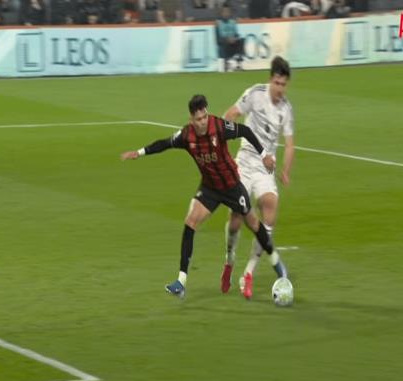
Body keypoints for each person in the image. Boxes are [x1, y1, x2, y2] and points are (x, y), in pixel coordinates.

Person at [121, 94, 287, 299]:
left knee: (253, 224)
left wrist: (263, 155)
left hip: (232, 186)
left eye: (205, 116)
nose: (203, 121)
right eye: (199, 119)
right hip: (210, 188)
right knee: (190, 221)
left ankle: (276, 262)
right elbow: (164, 143)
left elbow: (245, 130)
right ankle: (181, 281)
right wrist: (139, 152)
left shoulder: (219, 127)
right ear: (192, 119)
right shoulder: (186, 136)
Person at [221, 56, 294, 299]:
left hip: (265, 167)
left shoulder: (286, 109)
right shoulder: (255, 93)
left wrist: (286, 170)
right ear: (270, 79)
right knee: (236, 219)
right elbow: (231, 113)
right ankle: (229, 259)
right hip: (244, 162)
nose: (280, 88)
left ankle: (248, 273)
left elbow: (290, 143)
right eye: (277, 83)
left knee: (270, 210)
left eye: (284, 84)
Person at [215, 5, 244, 72]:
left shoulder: (232, 22)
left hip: (233, 41)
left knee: (241, 40)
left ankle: (238, 62)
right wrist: (228, 39)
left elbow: (236, 34)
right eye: (224, 12)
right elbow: (219, 35)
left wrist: (234, 38)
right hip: (224, 41)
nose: (226, 13)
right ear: (221, 13)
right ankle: (227, 63)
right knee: (224, 42)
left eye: (228, 12)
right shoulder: (218, 23)